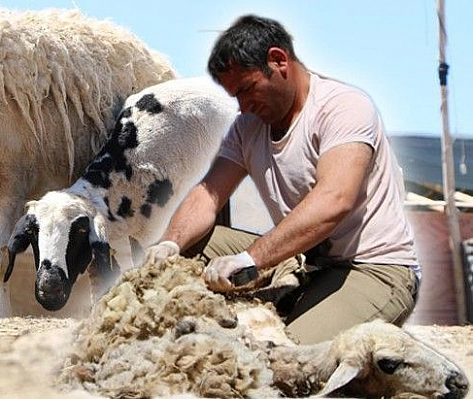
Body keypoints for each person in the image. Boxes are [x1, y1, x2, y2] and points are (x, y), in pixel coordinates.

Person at [143, 14, 420, 344]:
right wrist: (170, 243)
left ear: (278, 61)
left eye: (247, 89)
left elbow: (334, 200)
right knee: (184, 252)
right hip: (303, 262)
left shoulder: (344, 107)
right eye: (236, 97)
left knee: (287, 359)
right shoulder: (247, 127)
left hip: (371, 268)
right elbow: (209, 194)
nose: (243, 107)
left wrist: (251, 260)